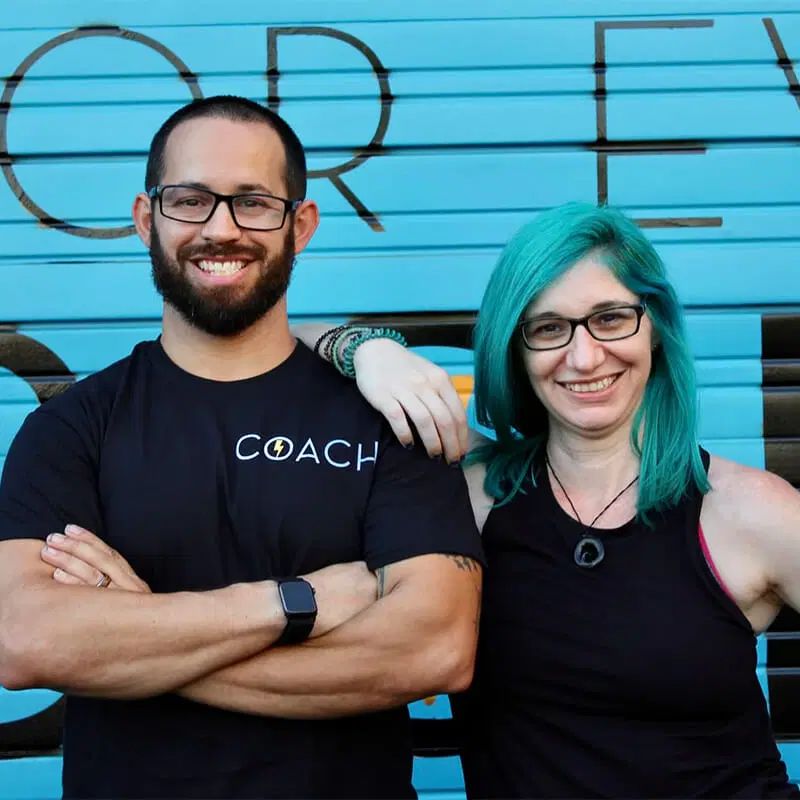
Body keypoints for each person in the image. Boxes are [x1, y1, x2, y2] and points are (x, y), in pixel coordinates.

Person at [0, 95, 483, 800]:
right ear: (146, 220)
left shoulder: (389, 421)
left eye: (254, 202)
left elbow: (433, 649)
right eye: (191, 200)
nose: (221, 228)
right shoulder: (73, 428)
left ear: (301, 225)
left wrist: (142, 633)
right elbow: (26, 642)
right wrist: (294, 603)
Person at [306, 202, 800, 797]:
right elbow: (266, 348)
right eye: (548, 328)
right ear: (513, 349)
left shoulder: (749, 512)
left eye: (611, 318)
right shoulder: (472, 498)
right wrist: (366, 351)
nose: (585, 356)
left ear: (656, 328)